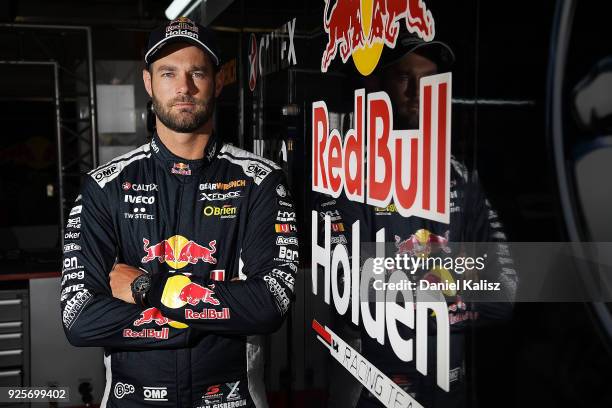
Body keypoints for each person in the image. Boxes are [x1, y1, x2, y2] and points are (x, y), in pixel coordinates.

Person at [60, 17, 298, 408]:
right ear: (149, 82)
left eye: (197, 72)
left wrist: (147, 290)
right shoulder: (105, 186)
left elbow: (270, 304)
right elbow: (79, 318)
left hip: (234, 400)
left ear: (218, 81)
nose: (184, 87)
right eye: (168, 73)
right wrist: (214, 319)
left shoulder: (261, 182)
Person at [318, 32, 517, 407]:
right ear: (380, 85)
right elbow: (358, 297)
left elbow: (504, 295)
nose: (416, 91)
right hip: (378, 390)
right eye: (404, 77)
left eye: (429, 80)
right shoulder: (351, 176)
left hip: (450, 389)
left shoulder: (460, 175)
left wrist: (409, 282)